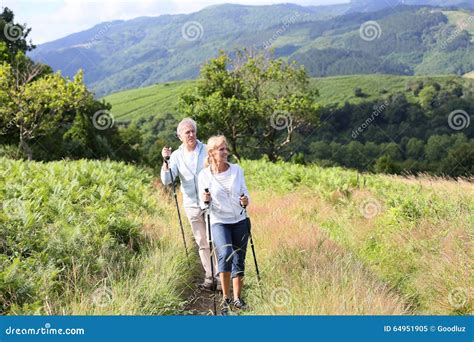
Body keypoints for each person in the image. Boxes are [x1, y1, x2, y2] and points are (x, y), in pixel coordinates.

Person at [161, 118, 218, 291]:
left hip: (210, 201)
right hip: (191, 203)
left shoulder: (206, 150)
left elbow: (217, 169)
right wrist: (166, 160)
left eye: (193, 131)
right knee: (201, 241)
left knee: (214, 239)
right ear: (180, 137)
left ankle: (220, 277)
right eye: (187, 132)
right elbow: (167, 180)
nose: (191, 134)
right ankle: (209, 277)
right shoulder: (176, 156)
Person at [198, 135, 251, 315]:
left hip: (240, 220)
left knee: (239, 259)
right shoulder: (204, 175)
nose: (226, 152)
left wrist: (245, 200)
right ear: (212, 153)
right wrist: (206, 201)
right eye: (221, 149)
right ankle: (225, 299)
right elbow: (203, 205)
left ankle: (237, 298)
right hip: (219, 221)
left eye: (226, 148)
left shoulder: (237, 170)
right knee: (226, 254)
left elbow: (246, 195)